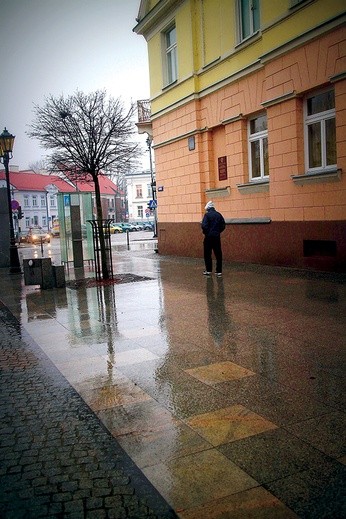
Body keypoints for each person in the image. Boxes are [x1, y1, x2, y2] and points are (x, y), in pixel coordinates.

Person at [201, 201, 226, 276]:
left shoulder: (207, 215)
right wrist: (218, 231)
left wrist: (206, 233)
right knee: (218, 253)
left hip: (208, 237)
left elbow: (204, 226)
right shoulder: (219, 215)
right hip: (216, 237)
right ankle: (219, 271)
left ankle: (208, 270)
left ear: (208, 208)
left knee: (207, 253)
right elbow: (223, 225)